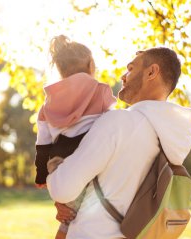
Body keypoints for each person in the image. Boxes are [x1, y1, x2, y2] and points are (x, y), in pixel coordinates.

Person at [47, 47, 191, 239]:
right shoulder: (172, 138)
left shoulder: (119, 122)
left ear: (152, 72)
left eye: (131, 69)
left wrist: (52, 175)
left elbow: (63, 189)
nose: (123, 76)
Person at [34, 35, 116, 238]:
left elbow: (42, 145)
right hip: (92, 166)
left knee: (67, 221)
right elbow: (113, 126)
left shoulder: (46, 105)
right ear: (91, 65)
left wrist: (42, 175)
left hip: (60, 168)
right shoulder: (101, 91)